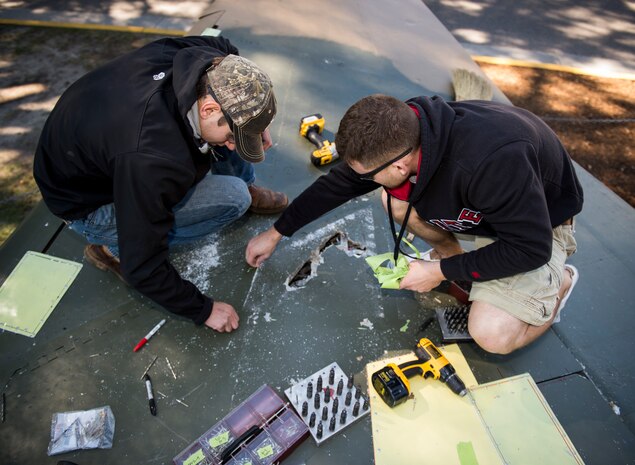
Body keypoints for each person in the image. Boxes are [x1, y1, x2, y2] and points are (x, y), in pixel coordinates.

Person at [246, 94, 583, 354]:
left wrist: (437, 272)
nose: (359, 179)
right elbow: (338, 185)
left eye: (367, 174)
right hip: (489, 211)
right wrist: (277, 233)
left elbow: (530, 248)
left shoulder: (493, 162)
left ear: (400, 164)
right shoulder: (401, 132)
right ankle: (458, 263)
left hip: (539, 226)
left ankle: (562, 283)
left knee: (491, 335)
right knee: (393, 199)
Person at [33, 36, 288, 333]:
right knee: (234, 199)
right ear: (207, 109)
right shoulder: (153, 160)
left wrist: (254, 122)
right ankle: (112, 248)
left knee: (226, 140)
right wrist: (202, 309)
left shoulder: (201, 59)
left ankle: (245, 177)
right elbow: (142, 268)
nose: (236, 147)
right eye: (235, 137)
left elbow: (229, 48)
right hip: (88, 203)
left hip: (97, 143)